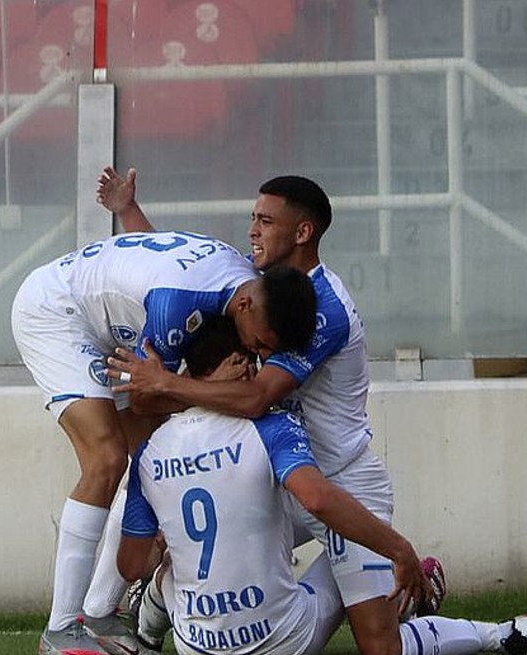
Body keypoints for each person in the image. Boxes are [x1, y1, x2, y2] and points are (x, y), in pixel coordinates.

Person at [96, 167, 470, 655]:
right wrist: (128, 212)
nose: (253, 229)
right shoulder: (259, 290)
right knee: (176, 519)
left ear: (302, 232)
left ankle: (488, 627)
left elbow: (256, 398)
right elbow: (178, 275)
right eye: (254, 217)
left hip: (339, 481)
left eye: (266, 221)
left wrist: (165, 384)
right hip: (275, 476)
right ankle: (138, 615)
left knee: (381, 647)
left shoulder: (322, 309)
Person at [118, 317, 527, 655]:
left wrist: (166, 548)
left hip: (198, 647)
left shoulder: (149, 452)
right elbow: (317, 497)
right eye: (249, 360)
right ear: (233, 365)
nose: (257, 372)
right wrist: (398, 550)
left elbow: (131, 563)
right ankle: (500, 632)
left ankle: (148, 627)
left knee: (175, 562)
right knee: (359, 565)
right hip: (282, 640)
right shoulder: (270, 427)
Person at [11, 229, 319, 655]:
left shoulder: (242, 285)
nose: (257, 355)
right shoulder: (175, 307)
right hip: (56, 312)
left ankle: (99, 611)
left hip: (102, 316)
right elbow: (144, 397)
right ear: (246, 304)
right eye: (260, 343)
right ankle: (61, 630)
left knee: (148, 460)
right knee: (107, 458)